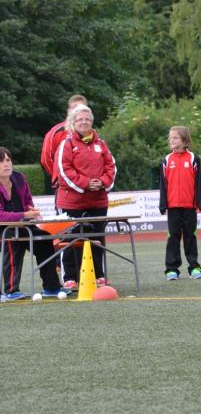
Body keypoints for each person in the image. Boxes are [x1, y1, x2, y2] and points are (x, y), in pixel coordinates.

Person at [55, 104, 116, 290]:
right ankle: (70, 277)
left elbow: (111, 167)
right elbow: (63, 171)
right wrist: (86, 184)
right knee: (70, 241)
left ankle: (98, 275)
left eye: (87, 119)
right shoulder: (66, 144)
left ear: (92, 121)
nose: (84, 122)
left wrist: (103, 183)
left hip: (98, 202)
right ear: (73, 122)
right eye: (80, 119)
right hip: (71, 203)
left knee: (97, 239)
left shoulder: (101, 144)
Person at [0, 147, 69, 300]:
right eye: (1, 161)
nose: (6, 164)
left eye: (8, 160)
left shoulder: (19, 178)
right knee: (13, 239)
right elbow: (1, 216)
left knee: (45, 239)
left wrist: (31, 210)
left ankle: (51, 287)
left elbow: (28, 202)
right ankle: (11, 291)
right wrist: (25, 214)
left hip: (23, 226)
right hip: (3, 229)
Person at [159, 126, 201, 280]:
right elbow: (163, 184)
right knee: (173, 237)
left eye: (175, 137)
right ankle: (171, 269)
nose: (171, 140)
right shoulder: (167, 160)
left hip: (189, 207)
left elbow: (199, 182)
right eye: (170, 137)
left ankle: (194, 267)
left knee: (190, 237)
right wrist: (163, 204)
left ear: (184, 140)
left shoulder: (193, 158)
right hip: (173, 207)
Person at [41, 94, 88, 188]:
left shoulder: (91, 134)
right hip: (64, 186)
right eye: (75, 108)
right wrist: (58, 177)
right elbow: (46, 159)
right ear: (69, 110)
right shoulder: (56, 132)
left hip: (86, 185)